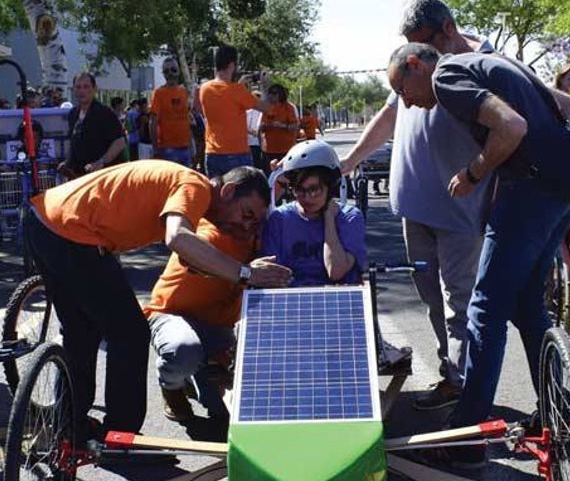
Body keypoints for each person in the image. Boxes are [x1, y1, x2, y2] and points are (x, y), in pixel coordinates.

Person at [386, 40, 570, 455]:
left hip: (532, 191)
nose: (406, 104)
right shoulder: (487, 62)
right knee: (525, 306)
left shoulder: (446, 76)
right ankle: (558, 411)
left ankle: (467, 432)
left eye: (402, 90)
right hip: (564, 187)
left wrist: (473, 172)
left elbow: (512, 127)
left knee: (484, 308)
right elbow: (564, 113)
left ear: (415, 64)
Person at [26, 161, 291, 439]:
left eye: (254, 222)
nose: (245, 225)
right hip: (72, 232)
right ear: (227, 191)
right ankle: (120, 437)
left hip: (44, 221)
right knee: (130, 334)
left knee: (81, 333)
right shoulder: (195, 186)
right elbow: (177, 236)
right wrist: (246, 273)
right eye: (246, 214)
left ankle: (68, 429)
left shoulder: (191, 191)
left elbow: (191, 255)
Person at [340, 0, 501, 412]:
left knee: (460, 303)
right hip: (416, 209)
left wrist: (478, 177)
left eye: (422, 41)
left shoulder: (484, 64)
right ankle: (453, 376)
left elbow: (514, 129)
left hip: (460, 211)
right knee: (433, 299)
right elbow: (389, 118)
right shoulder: (418, 68)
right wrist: (348, 161)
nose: (419, 52)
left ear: (447, 29)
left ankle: (469, 396)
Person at [143, 218, 254, 430]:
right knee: (184, 350)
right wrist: (246, 272)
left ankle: (193, 379)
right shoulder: (210, 233)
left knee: (225, 409)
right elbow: (189, 254)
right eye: (247, 214)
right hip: (171, 314)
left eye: (257, 219)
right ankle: (172, 387)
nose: (250, 224)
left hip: (217, 327)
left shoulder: (261, 239)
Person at [262, 140, 366, 286]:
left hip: (337, 301)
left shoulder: (349, 217)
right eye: (299, 189)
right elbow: (271, 276)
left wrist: (329, 219)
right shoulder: (279, 219)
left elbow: (335, 271)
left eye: (314, 189)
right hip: (291, 302)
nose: (307, 197)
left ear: (330, 186)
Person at [198, 45, 270, 178]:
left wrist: (239, 85)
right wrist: (265, 87)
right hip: (237, 153)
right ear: (232, 65)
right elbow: (265, 107)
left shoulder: (204, 89)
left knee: (217, 196)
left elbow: (224, 100)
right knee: (240, 197)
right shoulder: (237, 91)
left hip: (212, 153)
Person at [61, 72, 126, 178]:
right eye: (78, 87)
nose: (82, 91)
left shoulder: (104, 113)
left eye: (86, 87)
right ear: (73, 90)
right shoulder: (73, 113)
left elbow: (120, 142)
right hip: (79, 176)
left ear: (94, 89)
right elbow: (74, 142)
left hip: (102, 176)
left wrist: (101, 161)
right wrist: (67, 163)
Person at [149, 57, 194, 166]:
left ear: (178, 71)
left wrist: (191, 145)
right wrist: (155, 149)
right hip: (167, 149)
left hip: (185, 147)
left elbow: (186, 118)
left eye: (173, 70)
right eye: (166, 71)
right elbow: (152, 123)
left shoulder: (183, 91)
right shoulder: (158, 93)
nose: (170, 73)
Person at [259, 83, 299, 168]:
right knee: (269, 174)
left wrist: (282, 125)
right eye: (270, 93)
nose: (271, 95)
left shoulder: (289, 108)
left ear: (280, 94)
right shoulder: (266, 107)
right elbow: (261, 127)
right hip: (269, 149)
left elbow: (295, 126)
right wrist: (266, 126)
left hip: (285, 148)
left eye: (274, 93)